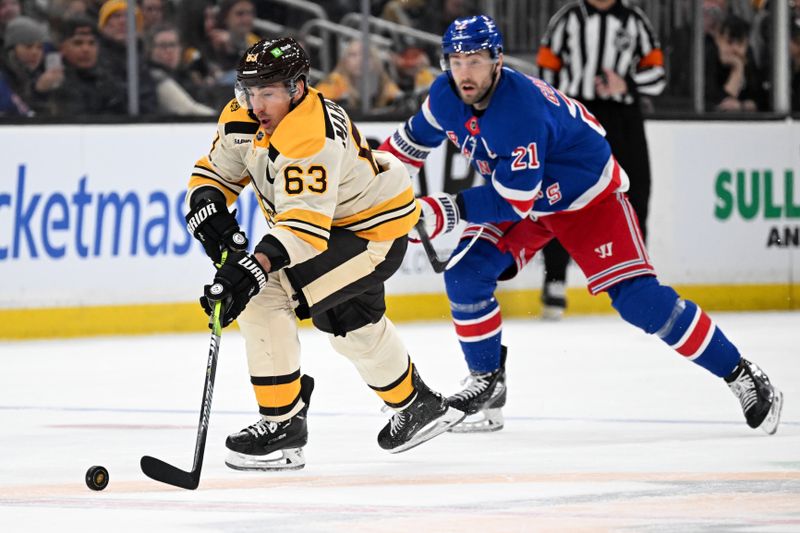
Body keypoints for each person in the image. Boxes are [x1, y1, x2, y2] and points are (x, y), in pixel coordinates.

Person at [380, 15, 783, 435]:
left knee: (638, 300)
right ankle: (487, 384)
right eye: (456, 60)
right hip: (532, 198)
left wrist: (439, 211)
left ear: (498, 59)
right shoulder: (444, 96)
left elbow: (512, 200)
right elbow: (405, 148)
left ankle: (740, 373)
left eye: (476, 59)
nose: (465, 71)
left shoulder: (518, 111)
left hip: (585, 196)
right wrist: (377, 186)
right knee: (467, 273)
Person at [184, 37, 464, 471]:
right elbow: (217, 171)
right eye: (250, 91)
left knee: (263, 293)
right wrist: (208, 207)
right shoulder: (243, 114)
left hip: (370, 232)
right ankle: (418, 404)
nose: (256, 104)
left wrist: (250, 271)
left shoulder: (310, 134)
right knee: (349, 322)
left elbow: (301, 229)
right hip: (334, 229)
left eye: (269, 92)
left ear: (297, 88)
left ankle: (283, 423)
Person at [535, 0, 666, 319]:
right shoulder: (568, 19)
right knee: (560, 195)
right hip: (577, 117)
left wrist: (627, 84)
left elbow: (658, 75)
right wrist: (558, 109)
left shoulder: (635, 20)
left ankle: (636, 280)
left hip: (623, 117)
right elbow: (544, 70)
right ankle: (554, 280)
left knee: (636, 193)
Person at [51, 15, 126, 116]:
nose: (86, 49)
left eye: (91, 43)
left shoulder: (110, 80)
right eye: (78, 43)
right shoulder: (54, 83)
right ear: (62, 48)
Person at [314, 39, 402, 114]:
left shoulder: (384, 82)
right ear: (344, 60)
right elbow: (318, 108)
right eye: (353, 55)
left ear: (375, 61)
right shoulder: (334, 81)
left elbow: (400, 100)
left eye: (366, 55)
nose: (360, 60)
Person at [145, 23, 214, 116]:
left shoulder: (186, 76)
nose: (169, 50)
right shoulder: (154, 77)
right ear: (151, 50)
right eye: (163, 46)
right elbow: (188, 110)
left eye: (173, 45)